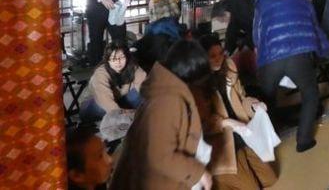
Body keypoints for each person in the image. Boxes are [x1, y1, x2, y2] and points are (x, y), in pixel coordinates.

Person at [110, 39, 213, 190]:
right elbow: (160, 155)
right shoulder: (168, 101)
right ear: (191, 73)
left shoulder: (168, 92)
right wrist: (198, 172)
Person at [253, 0, 329, 152]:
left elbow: (256, 33)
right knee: (311, 95)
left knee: (266, 100)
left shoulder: (263, 2)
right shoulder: (303, 2)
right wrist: (327, 50)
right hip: (298, 56)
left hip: (271, 57)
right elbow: (315, 28)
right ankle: (304, 140)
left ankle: (269, 142)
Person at [191, 34, 278, 189]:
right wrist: (226, 123)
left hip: (243, 133)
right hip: (222, 142)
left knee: (270, 179)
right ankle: (216, 177)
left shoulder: (229, 67)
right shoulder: (197, 85)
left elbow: (242, 98)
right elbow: (201, 125)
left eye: (220, 54)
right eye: (212, 56)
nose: (218, 59)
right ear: (202, 58)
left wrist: (253, 105)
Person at [79, 42, 146, 122]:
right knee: (102, 107)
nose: (118, 62)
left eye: (121, 57)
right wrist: (123, 115)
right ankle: (119, 115)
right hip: (94, 104)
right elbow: (105, 100)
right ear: (107, 60)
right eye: (113, 58)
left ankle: (122, 113)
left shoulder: (133, 67)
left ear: (127, 57)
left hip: (119, 100)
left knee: (142, 93)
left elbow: (145, 87)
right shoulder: (101, 73)